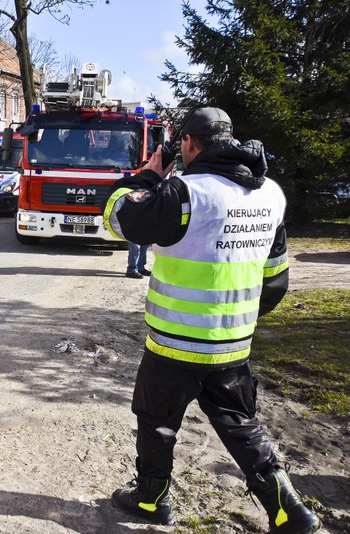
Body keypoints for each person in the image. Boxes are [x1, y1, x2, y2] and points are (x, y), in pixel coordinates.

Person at [101, 108, 320, 533]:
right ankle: (290, 511)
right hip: (232, 345)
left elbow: (118, 218)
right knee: (240, 424)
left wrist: (148, 175)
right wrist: (237, 320)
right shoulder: (270, 193)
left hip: (174, 344)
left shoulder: (184, 192)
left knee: (157, 422)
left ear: (188, 143)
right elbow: (275, 281)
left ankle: (151, 501)